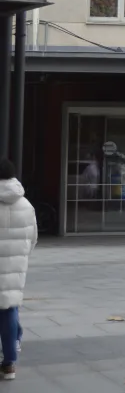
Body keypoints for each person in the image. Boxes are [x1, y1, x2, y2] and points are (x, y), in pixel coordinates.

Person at [0, 158, 38, 381]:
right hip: (15, 267)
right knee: (9, 307)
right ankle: (9, 364)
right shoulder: (26, 205)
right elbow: (32, 239)